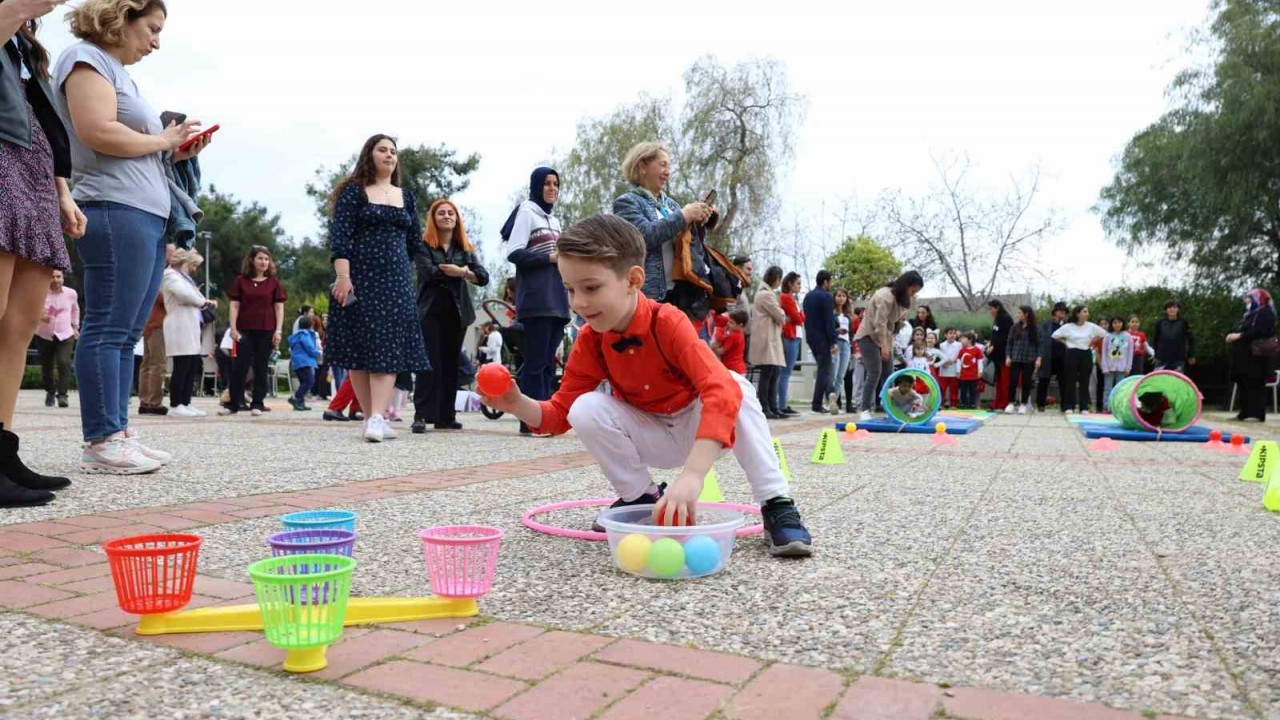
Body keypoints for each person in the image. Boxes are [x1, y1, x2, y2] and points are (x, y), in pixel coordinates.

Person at [481, 214, 812, 556]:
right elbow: (561, 415)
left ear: (633, 280)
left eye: (591, 287)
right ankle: (641, 497)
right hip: (650, 432)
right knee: (585, 408)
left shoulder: (667, 321)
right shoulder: (591, 340)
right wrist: (515, 401)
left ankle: (776, 502)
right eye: (570, 289)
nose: (578, 303)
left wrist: (693, 476)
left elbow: (718, 391)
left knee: (735, 386)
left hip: (701, 430)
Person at [55, 0, 209, 472]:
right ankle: (101, 440)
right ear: (123, 16)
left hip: (142, 211)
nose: (156, 41)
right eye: (153, 28)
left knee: (126, 334)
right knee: (108, 327)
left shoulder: (119, 72)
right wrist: (163, 140)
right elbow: (97, 131)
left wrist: (175, 154)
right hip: (113, 208)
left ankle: (117, 432)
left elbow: (132, 147)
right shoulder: (86, 59)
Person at [0, 0, 87, 505]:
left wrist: (62, 192)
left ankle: (3, 449)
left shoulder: (23, 38)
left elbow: (43, 117)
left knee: (18, 324)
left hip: (31, 168)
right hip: (1, 160)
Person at [325, 134, 430, 443]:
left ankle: (376, 417)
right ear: (369, 155)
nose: (389, 155)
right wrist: (343, 276)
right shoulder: (353, 192)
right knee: (360, 348)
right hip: (359, 277)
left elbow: (413, 242)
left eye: (393, 151)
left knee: (387, 345)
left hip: (396, 280)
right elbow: (340, 236)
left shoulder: (406, 196)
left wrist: (397, 263)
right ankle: (372, 417)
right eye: (382, 149)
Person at [612, 142, 716, 322]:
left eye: (669, 166)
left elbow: (691, 248)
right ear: (643, 166)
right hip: (649, 295)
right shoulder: (627, 203)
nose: (668, 171)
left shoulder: (672, 205)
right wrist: (684, 215)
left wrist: (697, 224)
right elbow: (643, 237)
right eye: (663, 165)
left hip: (679, 294)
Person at [413, 199, 488, 434]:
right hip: (430, 311)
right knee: (429, 364)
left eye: (451, 213)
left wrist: (462, 272)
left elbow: (483, 276)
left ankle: (446, 416)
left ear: (456, 219)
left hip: (457, 313)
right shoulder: (423, 245)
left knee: (450, 364)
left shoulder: (464, 248)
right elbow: (429, 273)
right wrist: (461, 273)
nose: (447, 216)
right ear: (433, 219)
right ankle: (421, 415)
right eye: (441, 213)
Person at [501, 167, 567, 435]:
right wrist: (549, 258)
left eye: (556, 184)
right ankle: (531, 420)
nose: (552, 188)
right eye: (547, 184)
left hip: (558, 297)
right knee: (537, 360)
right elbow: (514, 253)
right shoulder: (527, 212)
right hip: (537, 298)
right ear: (536, 185)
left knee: (547, 361)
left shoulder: (555, 220)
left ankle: (540, 414)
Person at [220, 246, 285, 417]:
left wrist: (278, 330)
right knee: (239, 366)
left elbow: (279, 308)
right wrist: (233, 328)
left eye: (266, 259)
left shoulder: (274, 283)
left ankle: (258, 403)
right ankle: (233, 403)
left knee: (261, 367)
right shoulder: (241, 281)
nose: (264, 262)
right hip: (244, 330)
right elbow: (234, 305)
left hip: (266, 330)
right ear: (252, 260)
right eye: (260, 258)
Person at [853, 271, 924, 421]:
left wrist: (888, 345)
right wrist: (884, 347)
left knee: (889, 373)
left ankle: (890, 407)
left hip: (886, 337)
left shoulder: (900, 300)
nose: (912, 295)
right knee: (874, 372)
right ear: (906, 286)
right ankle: (864, 409)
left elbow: (893, 326)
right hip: (868, 336)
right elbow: (880, 324)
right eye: (912, 291)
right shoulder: (884, 296)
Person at [160, 248, 212, 417]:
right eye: (193, 265)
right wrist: (203, 302)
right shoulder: (169, 275)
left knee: (191, 364)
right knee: (181, 365)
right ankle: (175, 404)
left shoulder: (184, 278)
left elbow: (193, 294)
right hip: (178, 324)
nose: (195, 269)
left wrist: (201, 301)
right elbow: (186, 295)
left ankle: (186, 401)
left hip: (190, 323)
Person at [1227, 288, 1277, 422]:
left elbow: (1260, 331)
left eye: (1248, 297)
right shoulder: (1250, 314)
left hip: (1257, 357)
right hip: (1246, 356)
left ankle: (1257, 413)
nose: (1246, 300)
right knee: (1244, 383)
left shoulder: (1266, 312)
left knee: (1256, 384)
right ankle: (1244, 412)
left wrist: (1239, 335)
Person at [748, 266, 787, 419]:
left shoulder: (763, 293)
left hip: (769, 339)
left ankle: (773, 406)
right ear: (775, 278)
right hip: (767, 340)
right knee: (768, 374)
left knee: (773, 373)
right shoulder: (766, 295)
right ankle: (766, 406)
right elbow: (780, 315)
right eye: (779, 278)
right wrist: (782, 314)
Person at [1052, 306, 1106, 414]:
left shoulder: (1091, 326)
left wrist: (1092, 341)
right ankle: (1069, 406)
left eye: (1087, 311)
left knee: (1084, 381)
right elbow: (1054, 335)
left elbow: (1104, 334)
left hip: (1086, 352)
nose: (1087, 313)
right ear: (1077, 314)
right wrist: (1066, 342)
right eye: (1084, 311)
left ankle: (1084, 407)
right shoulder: (1068, 326)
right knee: (1070, 380)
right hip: (1072, 353)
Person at [35, 270, 77, 408]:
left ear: (63, 278)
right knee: (47, 366)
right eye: (52, 277)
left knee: (64, 362)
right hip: (44, 334)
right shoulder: (40, 293)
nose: (55, 279)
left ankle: (63, 395)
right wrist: (41, 317)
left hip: (65, 334)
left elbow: (75, 310)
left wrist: (75, 327)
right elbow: (32, 310)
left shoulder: (71, 293)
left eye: (58, 277)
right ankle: (50, 392)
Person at [802, 270, 838, 414]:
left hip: (811, 337)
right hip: (823, 338)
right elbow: (829, 321)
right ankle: (817, 403)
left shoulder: (808, 296)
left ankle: (829, 396)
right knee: (824, 370)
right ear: (825, 282)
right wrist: (833, 341)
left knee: (824, 369)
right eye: (830, 281)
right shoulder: (826, 297)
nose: (831, 284)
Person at [777, 272, 804, 415]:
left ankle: (783, 403)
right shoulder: (786, 298)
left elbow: (801, 317)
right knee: (785, 372)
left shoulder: (793, 299)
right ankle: (781, 404)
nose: (800, 286)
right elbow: (797, 318)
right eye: (798, 283)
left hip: (796, 335)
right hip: (790, 336)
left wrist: (798, 316)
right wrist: (798, 317)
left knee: (787, 371)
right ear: (790, 284)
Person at [1004, 306, 1039, 414]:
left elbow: (1040, 345)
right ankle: (1010, 403)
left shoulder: (1036, 328)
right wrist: (1008, 356)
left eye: (1019, 313)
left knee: (1026, 382)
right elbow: (1009, 342)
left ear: (1026, 314)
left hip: (1030, 358)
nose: (1017, 315)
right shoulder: (1014, 327)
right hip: (1015, 358)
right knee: (1013, 380)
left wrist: (1039, 358)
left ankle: (1023, 404)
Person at [1035, 302, 1068, 411]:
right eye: (1060, 311)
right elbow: (1039, 340)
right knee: (1044, 380)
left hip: (1063, 356)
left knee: (1064, 381)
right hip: (1048, 356)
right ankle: (1040, 404)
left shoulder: (1067, 326)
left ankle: (1065, 405)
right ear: (1055, 312)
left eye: (1064, 311)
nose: (1062, 313)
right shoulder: (1045, 325)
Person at [1098, 316, 1133, 411]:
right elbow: (1104, 353)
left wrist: (1128, 367)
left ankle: (1118, 408)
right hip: (1109, 367)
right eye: (1115, 323)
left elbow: (1130, 353)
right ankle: (1106, 407)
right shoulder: (1107, 336)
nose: (1117, 325)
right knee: (1107, 388)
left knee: (1120, 388)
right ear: (1112, 325)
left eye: (1119, 322)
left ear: (1123, 323)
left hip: (1122, 367)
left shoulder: (1128, 336)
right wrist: (1104, 367)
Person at [985, 299, 1014, 411]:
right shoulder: (997, 319)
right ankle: (997, 402)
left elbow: (1006, 336)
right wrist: (990, 343)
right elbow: (996, 335)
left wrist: (994, 346)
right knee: (999, 380)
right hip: (996, 355)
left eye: (991, 308)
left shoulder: (1005, 318)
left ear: (997, 308)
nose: (990, 311)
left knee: (1005, 380)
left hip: (1004, 354)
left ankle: (1004, 403)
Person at [1152, 300, 1196, 372]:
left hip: (1178, 359)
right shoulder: (1160, 323)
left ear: (1178, 309)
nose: (1172, 309)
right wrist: (1156, 354)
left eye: (1174, 307)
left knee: (1176, 381)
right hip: (1162, 358)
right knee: (1158, 381)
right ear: (1166, 310)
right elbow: (1155, 339)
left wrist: (1191, 355)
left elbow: (1192, 340)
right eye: (1169, 307)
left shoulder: (1184, 323)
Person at [287, 315, 320, 411]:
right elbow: (310, 348)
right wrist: (318, 353)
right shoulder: (305, 335)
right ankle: (296, 398)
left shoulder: (297, 335)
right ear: (310, 325)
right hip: (305, 361)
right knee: (309, 381)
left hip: (297, 362)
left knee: (303, 382)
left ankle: (300, 403)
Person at [832, 288, 854, 415]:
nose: (841, 298)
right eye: (839, 296)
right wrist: (837, 331)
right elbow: (828, 329)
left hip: (846, 344)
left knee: (841, 376)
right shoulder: (831, 313)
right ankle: (830, 401)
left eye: (844, 296)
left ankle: (834, 403)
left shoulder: (848, 315)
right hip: (836, 343)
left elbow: (851, 331)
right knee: (833, 374)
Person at [712, 307, 748, 376]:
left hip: (733, 369)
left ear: (740, 325)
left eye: (731, 323)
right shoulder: (740, 333)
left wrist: (713, 346)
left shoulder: (733, 336)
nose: (728, 324)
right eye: (729, 321)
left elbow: (721, 351)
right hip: (739, 369)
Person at [957, 332, 984, 409]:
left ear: (970, 340)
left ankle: (972, 403)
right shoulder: (962, 350)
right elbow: (959, 361)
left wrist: (980, 371)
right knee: (963, 390)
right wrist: (958, 371)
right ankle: (963, 403)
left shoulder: (977, 350)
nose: (961, 340)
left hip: (973, 375)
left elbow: (980, 361)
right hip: (963, 375)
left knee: (973, 390)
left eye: (963, 338)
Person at [937, 327, 961, 409]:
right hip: (943, 370)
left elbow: (958, 356)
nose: (952, 335)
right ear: (945, 335)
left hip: (954, 370)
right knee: (942, 388)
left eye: (954, 333)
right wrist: (944, 363)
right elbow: (939, 356)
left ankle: (953, 404)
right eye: (950, 333)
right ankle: (941, 403)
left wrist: (951, 361)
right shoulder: (941, 345)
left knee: (954, 388)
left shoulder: (959, 345)